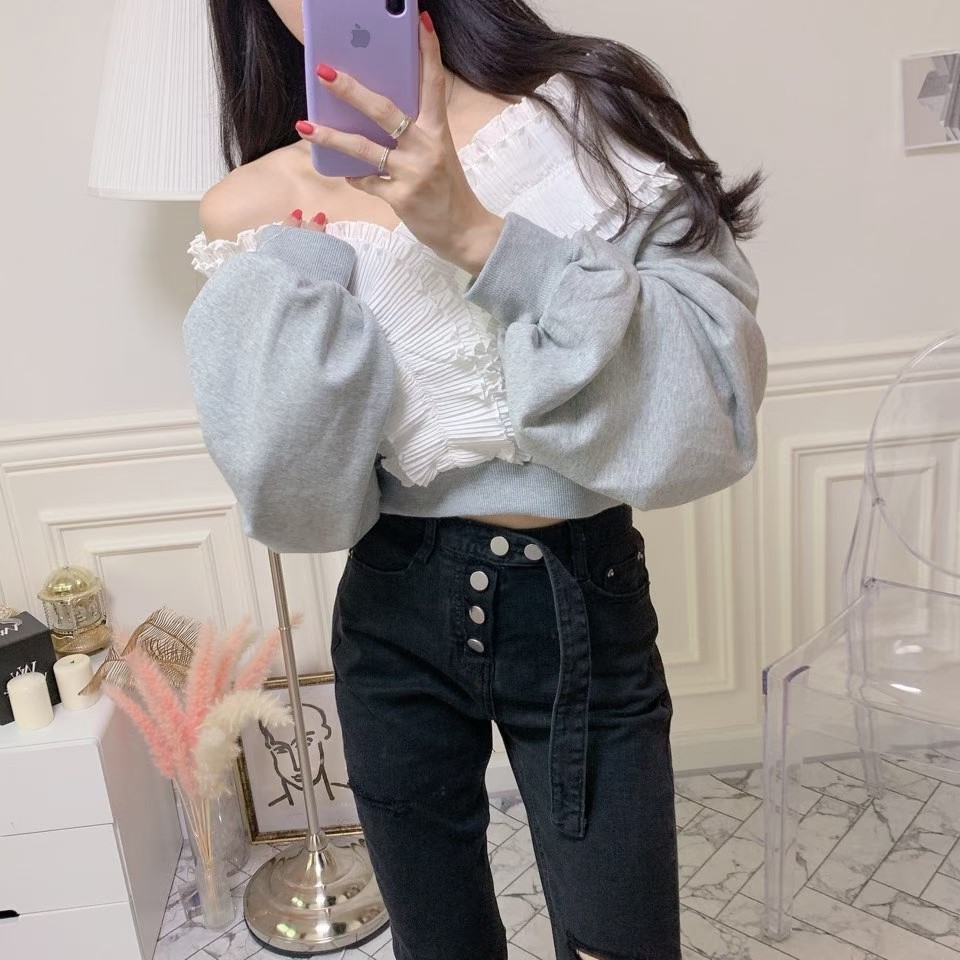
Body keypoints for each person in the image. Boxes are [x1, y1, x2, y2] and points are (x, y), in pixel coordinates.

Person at [181, 2, 768, 958]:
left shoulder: (582, 120)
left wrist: (481, 237)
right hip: (393, 604)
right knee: (438, 943)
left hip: (578, 595)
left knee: (619, 942)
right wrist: (306, 270)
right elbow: (297, 502)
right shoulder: (253, 206)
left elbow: (713, 404)